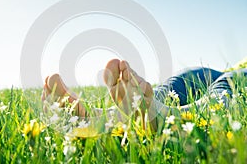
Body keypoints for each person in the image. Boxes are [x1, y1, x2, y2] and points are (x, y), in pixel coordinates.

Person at [41, 59, 247, 132]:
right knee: (178, 82)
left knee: (227, 83)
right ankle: (113, 114)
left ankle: (170, 116)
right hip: (220, 68)